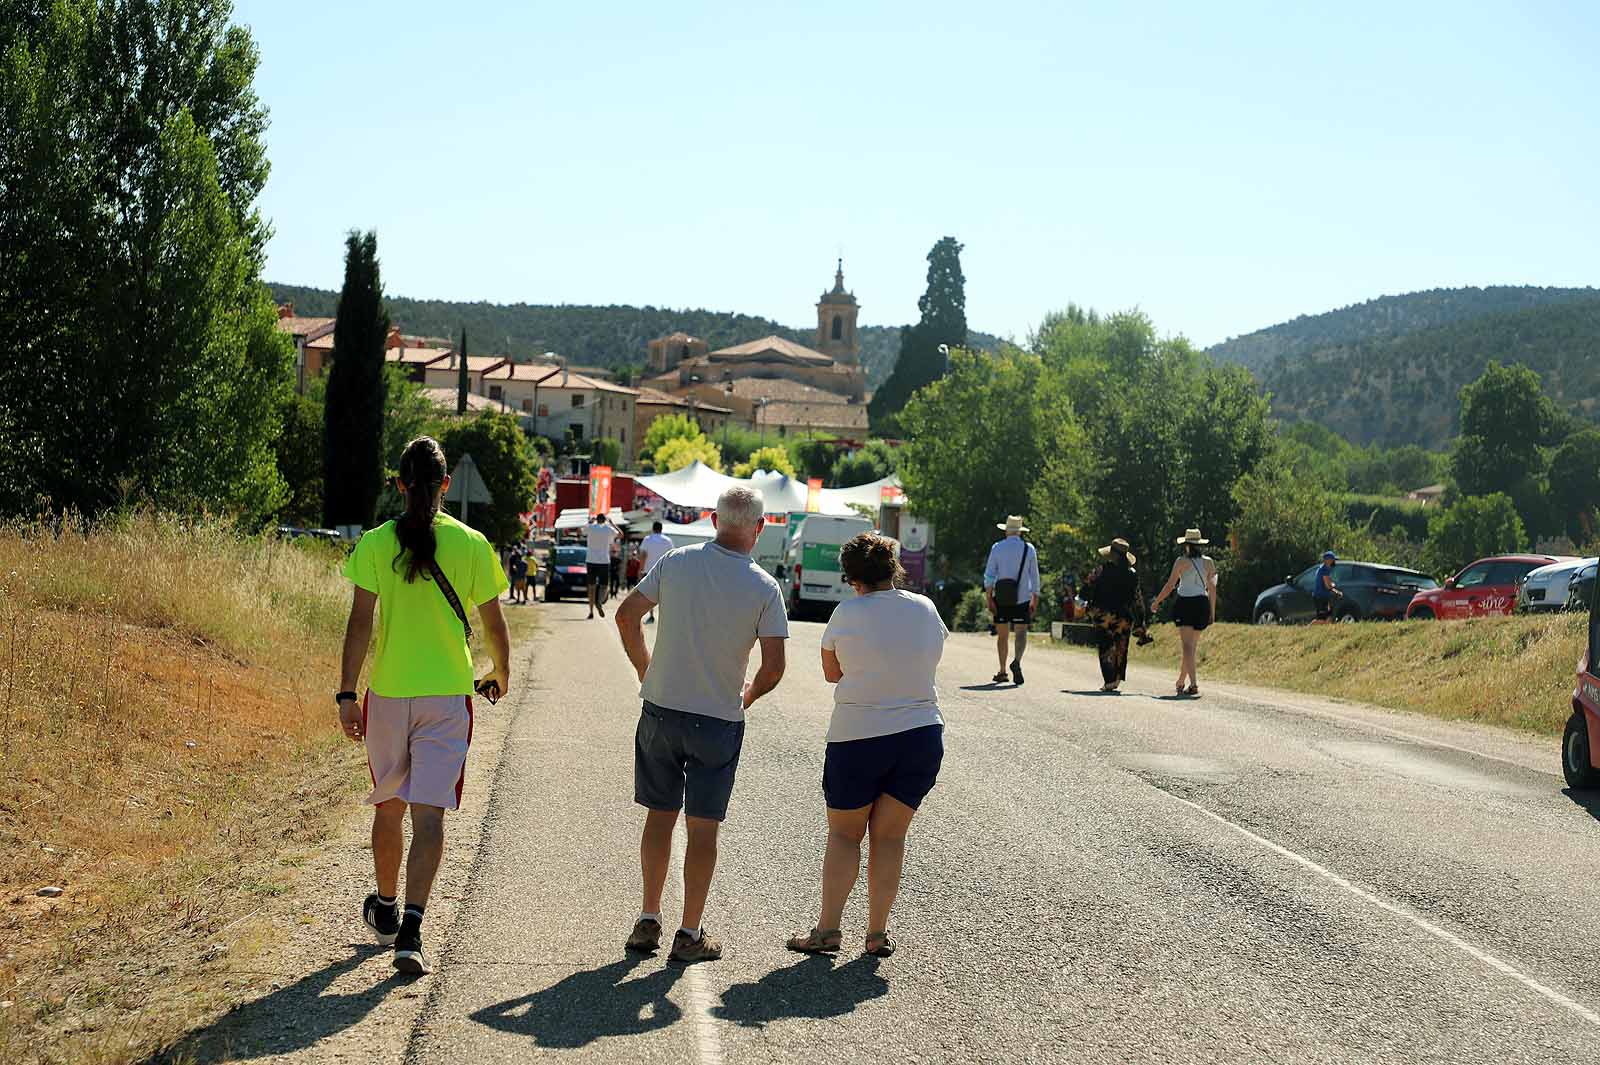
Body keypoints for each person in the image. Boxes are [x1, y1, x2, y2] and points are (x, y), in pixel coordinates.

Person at [335, 436, 511, 975]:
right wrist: (500, 673)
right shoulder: (473, 543)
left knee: (388, 805)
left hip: (388, 693)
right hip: (448, 695)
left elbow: (360, 623)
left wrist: (346, 693)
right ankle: (411, 931)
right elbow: (493, 624)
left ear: (399, 484)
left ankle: (385, 906)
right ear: (446, 486)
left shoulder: (374, 543)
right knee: (429, 814)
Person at [614, 485, 788, 964]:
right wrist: (747, 696)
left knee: (659, 815)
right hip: (718, 717)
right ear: (760, 528)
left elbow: (627, 616)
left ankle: (649, 918)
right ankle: (689, 932)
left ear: (714, 519)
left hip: (662, 708)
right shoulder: (764, 587)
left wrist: (644, 671)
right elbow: (774, 666)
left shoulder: (676, 562)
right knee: (703, 829)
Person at [786, 533, 946, 959]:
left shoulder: (846, 613)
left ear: (851, 577)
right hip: (920, 734)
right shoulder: (926, 608)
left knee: (844, 834)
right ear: (893, 569)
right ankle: (877, 933)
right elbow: (928, 659)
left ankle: (828, 930)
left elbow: (830, 673)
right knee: (890, 837)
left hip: (858, 735)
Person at [1150, 528, 1218, 697]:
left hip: (1185, 602)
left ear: (1186, 545)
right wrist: (1212, 611)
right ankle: (1181, 680)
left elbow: (1170, 585)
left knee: (1187, 647)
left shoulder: (1181, 561)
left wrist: (1157, 601)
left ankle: (1194, 683)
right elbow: (1213, 588)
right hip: (1202, 603)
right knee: (1191, 647)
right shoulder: (1209, 562)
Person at [983, 515, 1040, 686]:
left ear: (1006, 531)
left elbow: (989, 575)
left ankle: (1002, 670)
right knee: (1021, 632)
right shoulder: (1028, 549)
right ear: (1020, 532)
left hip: (1002, 598)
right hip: (1022, 598)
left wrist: (989, 598)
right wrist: (1034, 598)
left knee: (1002, 636)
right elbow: (1035, 577)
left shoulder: (997, 548)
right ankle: (1017, 661)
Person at [1085, 538, 1142, 692]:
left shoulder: (1101, 570)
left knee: (1105, 646)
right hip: (1124, 617)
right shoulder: (1132, 574)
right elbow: (1137, 599)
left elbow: (1086, 588)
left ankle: (1109, 680)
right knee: (1121, 647)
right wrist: (1140, 621)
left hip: (1103, 615)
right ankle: (1116, 678)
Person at [636, 520, 676, 625]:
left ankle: (651, 615)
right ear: (661, 529)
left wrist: (640, 569)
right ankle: (664, 616)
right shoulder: (668, 541)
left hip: (649, 571)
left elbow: (643, 555)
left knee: (650, 595)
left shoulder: (647, 539)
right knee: (664, 595)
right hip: (664, 571)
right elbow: (671, 557)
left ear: (653, 529)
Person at [584, 513, 619, 620]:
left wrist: (590, 521)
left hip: (591, 560)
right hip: (604, 560)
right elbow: (621, 535)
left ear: (596, 519)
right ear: (604, 520)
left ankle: (590, 611)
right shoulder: (608, 529)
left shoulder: (590, 527)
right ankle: (599, 601)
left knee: (591, 586)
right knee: (604, 585)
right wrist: (613, 524)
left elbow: (579, 531)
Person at [1313, 550, 1339, 622]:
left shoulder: (1325, 569)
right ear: (1328, 560)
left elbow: (1328, 583)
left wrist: (1334, 588)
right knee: (1321, 620)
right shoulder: (1324, 570)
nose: (1334, 562)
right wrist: (1335, 589)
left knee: (1329, 617)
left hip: (1324, 596)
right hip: (1320, 597)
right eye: (1333, 560)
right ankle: (1308, 629)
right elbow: (1328, 586)